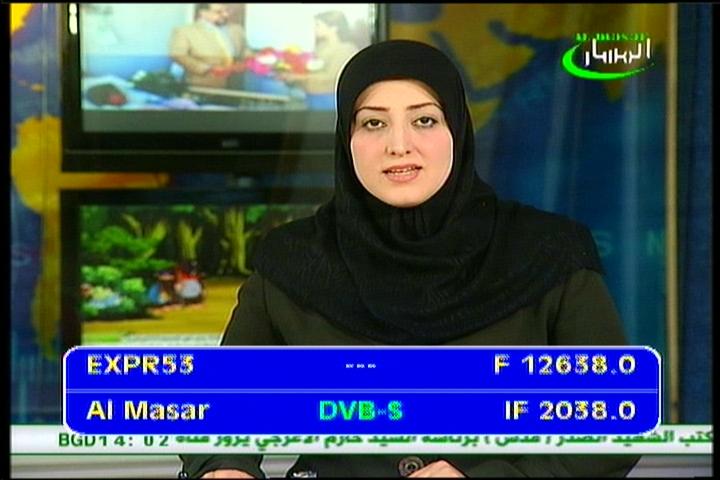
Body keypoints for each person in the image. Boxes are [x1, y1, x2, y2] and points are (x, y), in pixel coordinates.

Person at [179, 40, 640, 478]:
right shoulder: (291, 260)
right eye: (373, 124)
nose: (398, 145)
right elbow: (219, 409)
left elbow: (614, 423)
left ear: (457, 129)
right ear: (346, 138)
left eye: (424, 120)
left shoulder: (550, 252)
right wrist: (225, 464)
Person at [280, 11, 360, 110]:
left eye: (318, 25)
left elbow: (332, 77)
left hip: (326, 98)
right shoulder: (321, 47)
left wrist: (297, 77)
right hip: (308, 93)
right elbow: (312, 70)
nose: (314, 28)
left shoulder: (345, 49)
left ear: (334, 28)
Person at [169, 3, 248, 89]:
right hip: (202, 86)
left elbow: (244, 51)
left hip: (235, 87)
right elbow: (178, 55)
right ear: (203, 13)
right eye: (219, 12)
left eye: (226, 11)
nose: (225, 15)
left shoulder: (237, 30)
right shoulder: (185, 32)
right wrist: (208, 69)